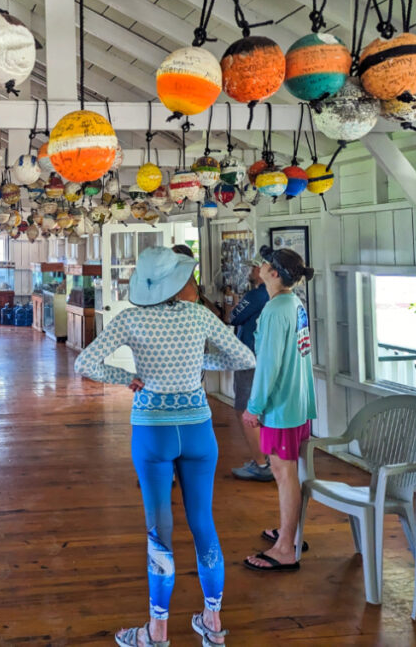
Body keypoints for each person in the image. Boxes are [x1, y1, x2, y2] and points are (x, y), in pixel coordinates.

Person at [74, 247, 255, 647]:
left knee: (159, 533)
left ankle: (156, 632)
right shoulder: (199, 316)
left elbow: (84, 363)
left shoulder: (131, 319)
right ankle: (212, 622)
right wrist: (194, 364)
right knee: (203, 525)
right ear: (178, 285)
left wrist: (127, 376)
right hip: (198, 430)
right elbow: (243, 356)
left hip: (152, 431)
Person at [242, 246, 316, 572]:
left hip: (280, 407)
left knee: (284, 474)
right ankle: (289, 530)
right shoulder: (293, 304)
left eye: (265, 263)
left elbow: (268, 366)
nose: (260, 265)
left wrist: (254, 408)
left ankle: (286, 547)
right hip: (297, 400)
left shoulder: (275, 310)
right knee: (285, 473)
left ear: (274, 274)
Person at [226, 263, 271, 482]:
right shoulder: (281, 296)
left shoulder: (256, 295)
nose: (250, 271)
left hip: (250, 357)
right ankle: (271, 458)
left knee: (245, 410)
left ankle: (261, 463)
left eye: (254, 268)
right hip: (269, 359)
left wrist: (232, 303)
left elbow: (233, 317)